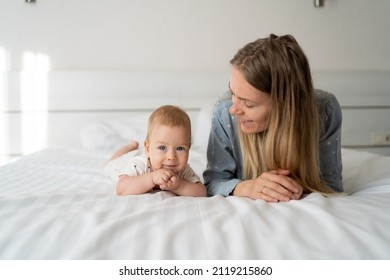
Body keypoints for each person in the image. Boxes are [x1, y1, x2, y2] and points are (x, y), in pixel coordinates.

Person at [203, 34, 343, 202]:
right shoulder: (224, 113)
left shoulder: (324, 110)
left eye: (248, 104)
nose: (234, 109)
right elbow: (213, 182)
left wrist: (287, 186)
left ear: (283, 105)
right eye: (232, 93)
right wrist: (250, 187)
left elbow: (331, 186)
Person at [105, 105, 207, 197]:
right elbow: (121, 189)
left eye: (180, 148)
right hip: (122, 162)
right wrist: (152, 178)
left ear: (188, 149)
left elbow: (201, 191)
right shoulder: (138, 165)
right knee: (114, 160)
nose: (171, 157)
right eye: (162, 148)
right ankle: (131, 146)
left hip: (147, 154)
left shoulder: (183, 170)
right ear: (148, 148)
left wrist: (179, 186)